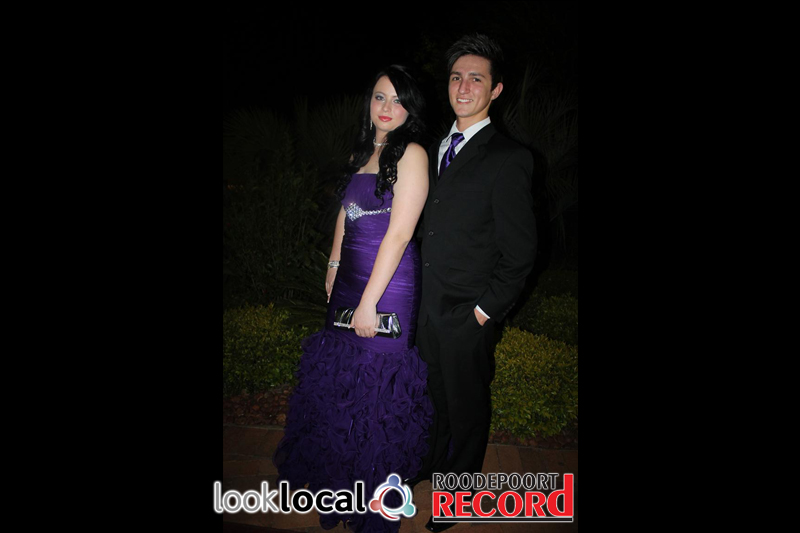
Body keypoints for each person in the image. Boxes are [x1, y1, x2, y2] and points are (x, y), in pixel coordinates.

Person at [273, 65, 433, 533]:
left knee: (378, 389)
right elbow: (347, 214)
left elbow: (399, 234)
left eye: (398, 100)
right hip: (348, 279)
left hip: (388, 286)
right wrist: (333, 263)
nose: (387, 108)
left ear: (410, 109)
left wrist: (368, 302)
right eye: (380, 97)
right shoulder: (360, 153)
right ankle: (339, 485)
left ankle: (373, 500)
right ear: (370, 101)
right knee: (342, 380)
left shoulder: (412, 154)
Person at [411, 34, 537, 532]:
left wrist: (483, 312)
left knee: (466, 409)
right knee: (435, 399)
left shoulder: (509, 157)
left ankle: (457, 496)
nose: (463, 87)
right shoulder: (434, 148)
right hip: (426, 308)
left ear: (496, 89)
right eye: (456, 77)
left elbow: (520, 253)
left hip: (467, 314)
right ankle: (431, 465)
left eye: (476, 79)